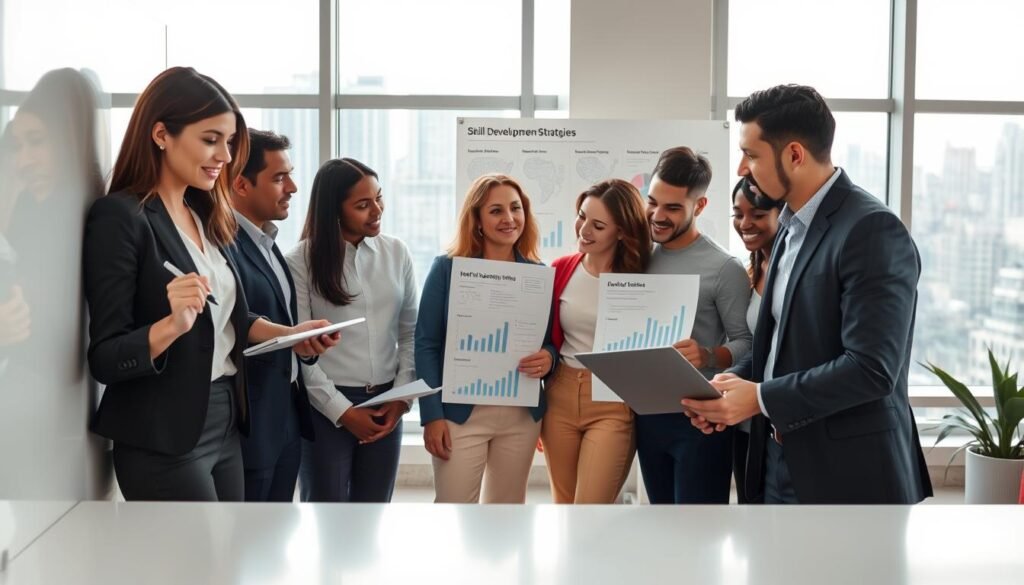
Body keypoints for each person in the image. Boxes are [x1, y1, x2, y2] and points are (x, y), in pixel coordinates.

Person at [82, 67, 339, 502]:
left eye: (229, 141)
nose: (224, 154)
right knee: (196, 569)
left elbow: (229, 317)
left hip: (225, 422)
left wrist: (289, 336)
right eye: (210, 139)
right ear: (161, 134)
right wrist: (172, 325)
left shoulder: (204, 215)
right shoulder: (121, 218)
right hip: (164, 435)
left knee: (228, 566)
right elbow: (106, 358)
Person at [682, 84, 932, 504]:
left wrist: (758, 399)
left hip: (848, 471)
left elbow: (872, 368)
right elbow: (781, 343)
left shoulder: (872, 230)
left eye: (752, 154)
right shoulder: (790, 229)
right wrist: (730, 387)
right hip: (776, 457)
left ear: (794, 155)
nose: (742, 168)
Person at [416, 173, 555, 503]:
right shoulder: (447, 269)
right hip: (460, 416)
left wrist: (549, 358)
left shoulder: (537, 274)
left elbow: (550, 342)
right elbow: (426, 344)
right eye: (495, 211)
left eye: (515, 208)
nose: (509, 219)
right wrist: (432, 415)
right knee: (453, 510)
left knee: (507, 515)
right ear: (476, 219)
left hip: (520, 417)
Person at [286, 158, 417, 503]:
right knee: (326, 513)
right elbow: (300, 350)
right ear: (334, 210)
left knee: (375, 512)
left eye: (378, 198)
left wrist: (401, 399)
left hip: (386, 403)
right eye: (362, 205)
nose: (377, 210)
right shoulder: (300, 261)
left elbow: (410, 333)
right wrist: (342, 411)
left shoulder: (396, 252)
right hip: (325, 407)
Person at [637, 147, 752, 504]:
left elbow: (748, 343)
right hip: (647, 415)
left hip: (701, 421)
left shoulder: (724, 268)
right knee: (660, 525)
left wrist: (707, 354)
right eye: (653, 202)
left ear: (699, 207)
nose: (657, 215)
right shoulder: (637, 258)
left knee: (699, 532)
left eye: (672, 208)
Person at [542, 179, 652, 504]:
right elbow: (546, 339)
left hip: (612, 401)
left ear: (621, 232)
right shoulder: (561, 269)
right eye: (582, 216)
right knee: (563, 506)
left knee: (590, 508)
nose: (583, 229)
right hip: (560, 394)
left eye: (598, 225)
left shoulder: (641, 278)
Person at [227, 129, 317, 502]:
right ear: (241, 185)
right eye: (279, 178)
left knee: (276, 540)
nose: (293, 187)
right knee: (247, 544)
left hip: (285, 422)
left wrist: (304, 342)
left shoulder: (269, 244)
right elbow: (234, 319)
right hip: (251, 429)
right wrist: (293, 334)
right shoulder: (221, 244)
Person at [730, 177, 783, 503]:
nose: (745, 223)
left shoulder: (790, 268)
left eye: (758, 214)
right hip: (746, 421)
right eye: (737, 214)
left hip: (779, 417)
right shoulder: (752, 267)